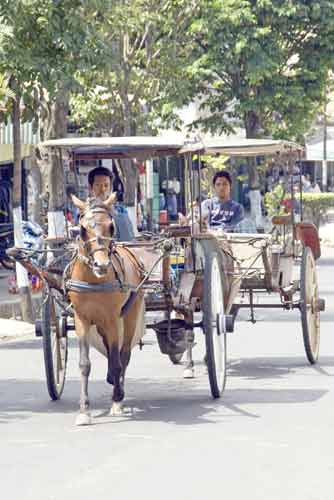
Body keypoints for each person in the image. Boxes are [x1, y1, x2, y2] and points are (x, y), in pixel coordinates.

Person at [87, 166, 135, 241]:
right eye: (98, 185)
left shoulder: (120, 210)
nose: (102, 190)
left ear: (111, 188)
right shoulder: (86, 210)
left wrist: (111, 210)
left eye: (106, 185)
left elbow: (128, 238)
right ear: (90, 188)